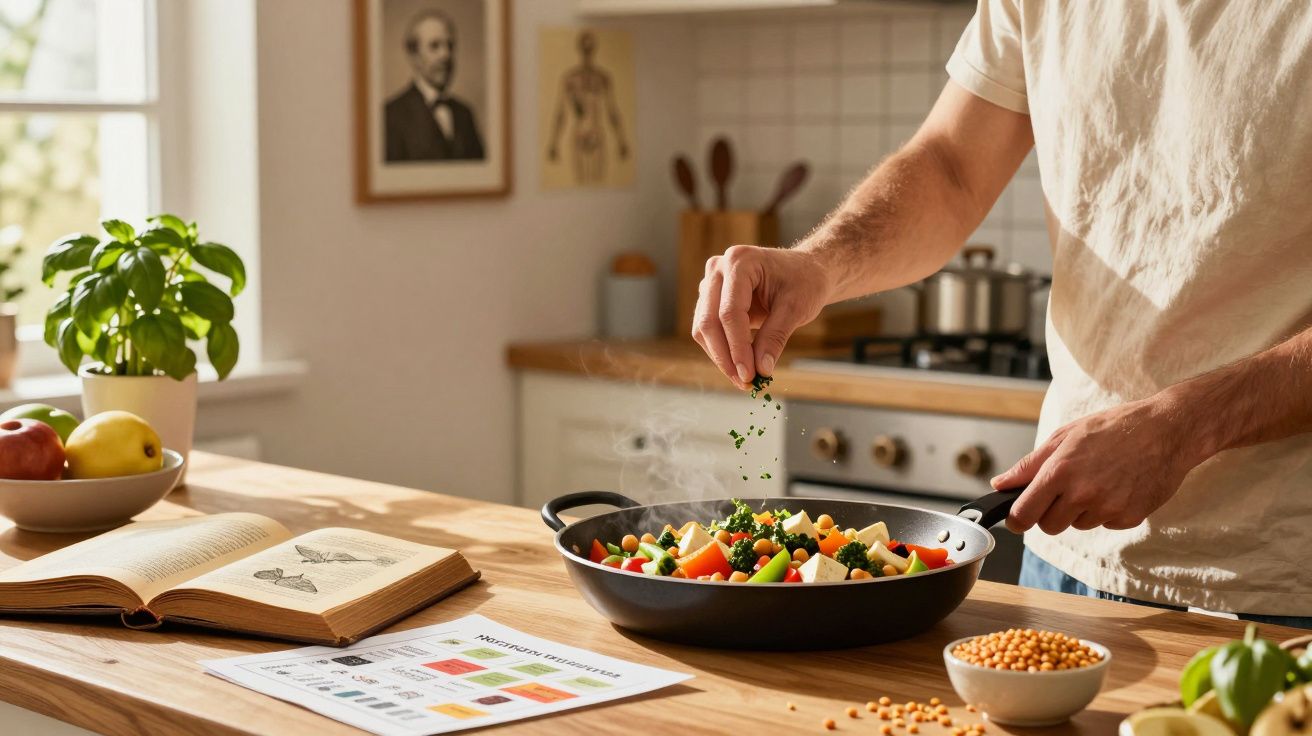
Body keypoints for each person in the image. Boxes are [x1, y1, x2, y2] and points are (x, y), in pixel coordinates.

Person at [692, 0, 1312, 628]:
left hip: (1283, 577)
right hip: (1069, 555)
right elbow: (950, 169)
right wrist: (821, 264)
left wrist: (1182, 427)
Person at [384, 9, 484, 162]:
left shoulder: (465, 114)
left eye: (450, 46)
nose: (446, 55)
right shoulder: (390, 116)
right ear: (414, 56)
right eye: (435, 46)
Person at [546, 30, 630, 184]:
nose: (587, 52)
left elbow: (612, 111)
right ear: (580, 49)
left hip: (598, 132)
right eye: (585, 48)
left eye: (590, 48)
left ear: (594, 49)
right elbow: (561, 113)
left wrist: (621, 140)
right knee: (581, 180)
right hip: (579, 134)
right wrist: (554, 143)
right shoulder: (570, 79)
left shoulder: (603, 78)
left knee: (598, 180)